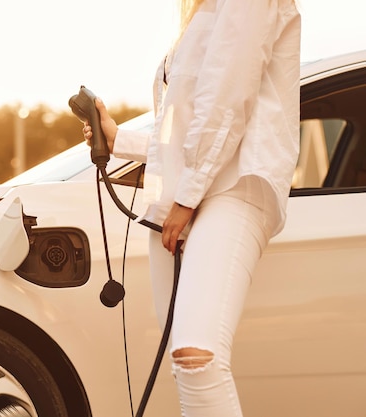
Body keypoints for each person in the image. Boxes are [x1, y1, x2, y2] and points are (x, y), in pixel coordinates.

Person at [82, 0, 301, 416]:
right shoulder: (194, 13)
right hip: (188, 192)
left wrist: (188, 195)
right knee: (185, 368)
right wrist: (119, 140)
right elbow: (189, 131)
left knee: (196, 358)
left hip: (231, 187)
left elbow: (228, 98)